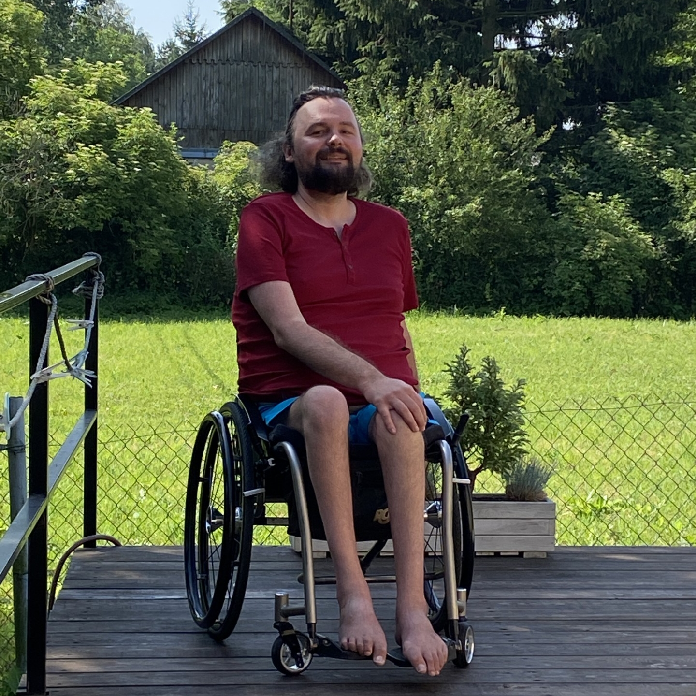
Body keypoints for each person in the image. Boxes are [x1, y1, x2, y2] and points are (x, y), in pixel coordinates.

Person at [231, 86, 449, 676]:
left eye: (345, 130)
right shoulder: (264, 219)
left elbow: (395, 324)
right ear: (288, 151)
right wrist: (374, 380)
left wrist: (402, 387)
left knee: (403, 412)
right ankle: (353, 595)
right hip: (289, 402)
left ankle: (412, 608)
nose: (334, 139)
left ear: (360, 147)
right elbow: (287, 330)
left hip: (378, 400)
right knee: (328, 399)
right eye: (317, 131)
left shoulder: (390, 226)